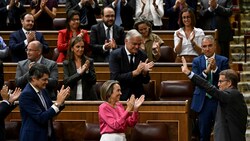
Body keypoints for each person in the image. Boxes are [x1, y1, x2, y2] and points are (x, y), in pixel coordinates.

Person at [181, 57, 248, 141]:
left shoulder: (232, 95)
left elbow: (209, 87)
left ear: (229, 83)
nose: (218, 84)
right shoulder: (232, 95)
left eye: (220, 81)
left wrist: (189, 73)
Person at [191, 35, 229, 141]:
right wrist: (206, 72)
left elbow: (227, 81)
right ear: (202, 48)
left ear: (215, 46)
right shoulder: (196, 61)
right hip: (203, 102)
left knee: (221, 133)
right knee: (204, 134)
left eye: (210, 46)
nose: (207, 49)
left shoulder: (223, 60)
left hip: (218, 100)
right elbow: (194, 80)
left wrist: (216, 69)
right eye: (204, 46)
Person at [19, 63, 70, 141]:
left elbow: (51, 112)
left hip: (47, 136)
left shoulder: (43, 90)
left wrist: (61, 101)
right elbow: (41, 118)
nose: (47, 82)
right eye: (44, 79)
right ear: (34, 79)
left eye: (47, 79)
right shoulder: (26, 95)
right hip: (33, 137)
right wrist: (57, 103)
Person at [109, 29, 154, 100]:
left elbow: (146, 81)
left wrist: (144, 73)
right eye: (134, 44)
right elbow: (115, 77)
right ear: (126, 41)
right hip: (121, 95)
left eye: (139, 44)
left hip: (138, 96)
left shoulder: (142, 55)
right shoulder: (115, 55)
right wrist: (135, 73)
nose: (137, 47)